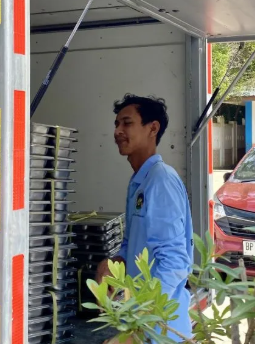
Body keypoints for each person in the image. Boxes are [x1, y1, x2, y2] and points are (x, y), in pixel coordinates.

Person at [96, 94, 194, 344]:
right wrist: (113, 263)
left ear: (153, 128)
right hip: (145, 322)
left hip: (161, 328)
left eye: (127, 123)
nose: (117, 131)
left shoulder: (160, 180)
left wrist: (140, 325)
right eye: (116, 124)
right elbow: (134, 245)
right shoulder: (140, 181)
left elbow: (175, 261)